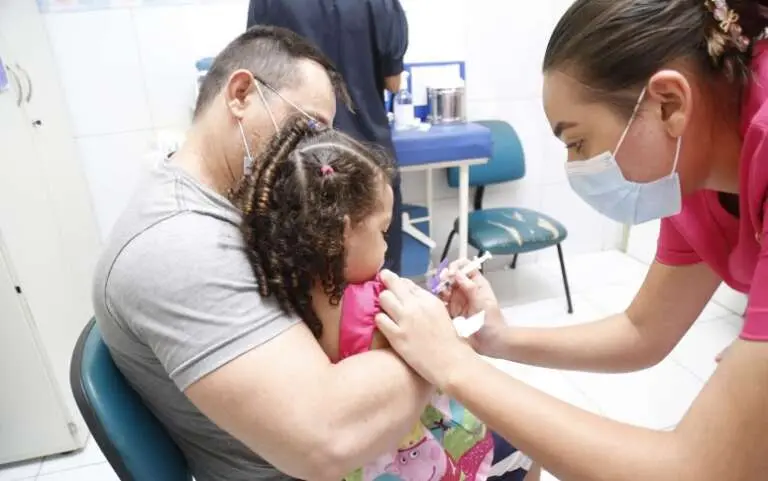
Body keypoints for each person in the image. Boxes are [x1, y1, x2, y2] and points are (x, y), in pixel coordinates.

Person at [363, 1, 768, 480]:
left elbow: (697, 469)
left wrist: (453, 366)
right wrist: (501, 338)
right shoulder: (691, 179)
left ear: (670, 104)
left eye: (577, 142)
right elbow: (644, 331)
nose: (576, 166)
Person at [93, 26, 434, 481]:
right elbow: (328, 438)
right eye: (311, 125)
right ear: (241, 94)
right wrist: (442, 350)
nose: (315, 149)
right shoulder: (177, 246)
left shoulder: (239, 208)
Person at [231, 115, 538, 481]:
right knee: (523, 447)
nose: (386, 246)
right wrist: (446, 312)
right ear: (341, 234)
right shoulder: (371, 303)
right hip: (408, 452)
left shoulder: (281, 290)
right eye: (382, 230)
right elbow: (428, 342)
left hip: (359, 464)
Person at [247, 0, 408, 274]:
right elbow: (394, 82)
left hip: (301, 166)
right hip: (366, 161)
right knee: (378, 284)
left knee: (307, 283)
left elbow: (261, 77)